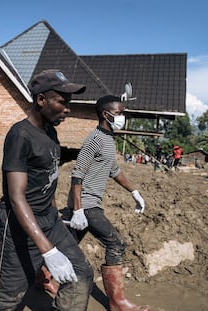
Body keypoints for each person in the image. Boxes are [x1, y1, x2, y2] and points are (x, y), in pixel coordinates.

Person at [0, 69, 93, 311]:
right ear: (41, 100)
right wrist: (48, 251)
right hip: (20, 225)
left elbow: (46, 180)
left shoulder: (50, 131)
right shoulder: (20, 135)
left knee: (80, 274)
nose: (68, 108)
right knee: (8, 296)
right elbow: (16, 196)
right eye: (62, 101)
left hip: (49, 220)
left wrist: (57, 219)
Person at [68, 95, 149, 311]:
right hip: (87, 204)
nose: (123, 117)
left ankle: (45, 277)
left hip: (90, 203)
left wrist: (135, 192)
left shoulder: (108, 138)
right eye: (120, 113)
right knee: (115, 243)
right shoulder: (94, 139)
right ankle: (117, 302)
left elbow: (114, 170)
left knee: (66, 244)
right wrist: (78, 210)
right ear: (107, 114)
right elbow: (77, 174)